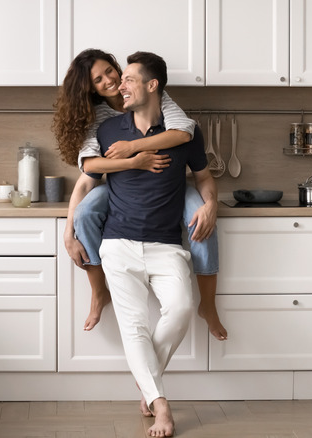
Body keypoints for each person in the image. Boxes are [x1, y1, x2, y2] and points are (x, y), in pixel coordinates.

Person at [52, 49, 227, 341]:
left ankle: (207, 304)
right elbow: (89, 169)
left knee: (203, 219)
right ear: (90, 89)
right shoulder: (100, 120)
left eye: (110, 71)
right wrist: (68, 233)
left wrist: (134, 147)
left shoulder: (155, 95)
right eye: (98, 79)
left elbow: (184, 132)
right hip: (120, 183)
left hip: (169, 183)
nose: (110, 81)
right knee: (84, 213)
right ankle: (98, 291)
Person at [93, 51, 217, 437]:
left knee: (182, 308)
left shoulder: (183, 131)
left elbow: (204, 176)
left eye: (129, 79)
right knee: (134, 325)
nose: (120, 86)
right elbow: (88, 173)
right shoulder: (108, 130)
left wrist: (210, 204)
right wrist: (72, 221)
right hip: (118, 242)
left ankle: (147, 384)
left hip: (166, 244)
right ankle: (162, 407)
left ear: (152, 85)